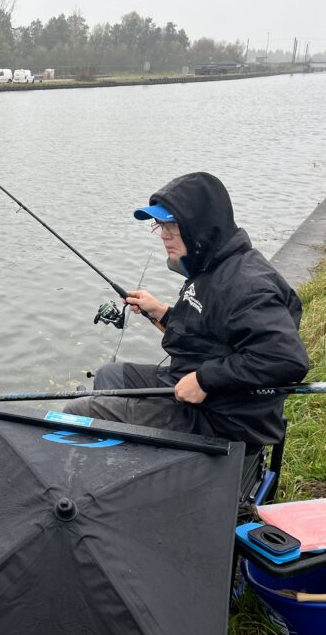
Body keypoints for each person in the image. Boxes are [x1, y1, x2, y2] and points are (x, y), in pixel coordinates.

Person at [63, 172, 310, 448]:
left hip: (224, 420)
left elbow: (286, 359)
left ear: (199, 225)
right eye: (159, 226)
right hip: (195, 384)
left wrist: (205, 380)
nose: (163, 236)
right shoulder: (211, 266)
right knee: (109, 376)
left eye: (172, 225)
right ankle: (126, 460)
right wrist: (160, 312)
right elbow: (211, 335)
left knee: (77, 414)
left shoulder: (247, 285)